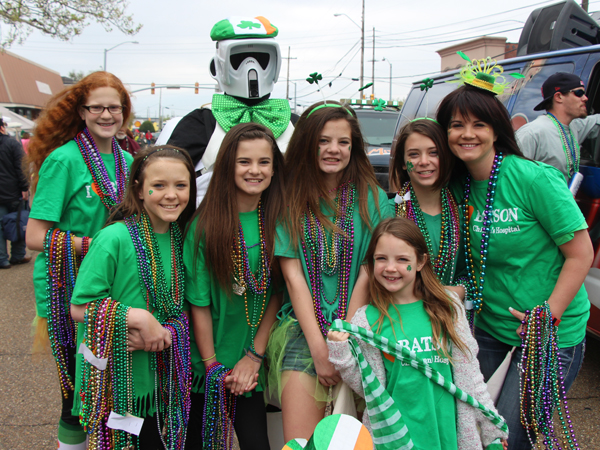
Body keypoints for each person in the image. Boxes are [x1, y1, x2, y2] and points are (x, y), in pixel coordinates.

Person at [437, 75, 593, 449]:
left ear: (496, 130)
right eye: (456, 125)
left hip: (549, 333)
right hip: (490, 328)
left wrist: (547, 315)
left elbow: (581, 253)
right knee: (470, 424)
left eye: (478, 124)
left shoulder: (533, 179)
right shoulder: (456, 185)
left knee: (509, 434)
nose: (467, 134)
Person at [267, 101, 394, 441]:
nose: (333, 150)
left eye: (343, 142)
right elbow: (294, 278)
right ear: (308, 142)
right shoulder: (288, 198)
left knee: (355, 443)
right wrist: (321, 351)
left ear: (354, 147)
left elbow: (370, 270)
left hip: (360, 333)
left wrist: (343, 340)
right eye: (323, 140)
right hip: (302, 331)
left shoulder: (373, 198)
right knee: (301, 444)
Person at [327, 217, 508, 450]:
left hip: (447, 437)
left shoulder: (448, 308)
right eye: (381, 258)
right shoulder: (367, 320)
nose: (390, 268)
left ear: (421, 261)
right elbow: (368, 387)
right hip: (394, 441)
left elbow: (470, 376)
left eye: (403, 259)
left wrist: (492, 430)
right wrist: (340, 353)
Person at [25, 71, 134, 450]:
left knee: (117, 389)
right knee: (77, 397)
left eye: (114, 107)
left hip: (115, 291)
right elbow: (35, 236)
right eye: (97, 107)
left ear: (124, 112)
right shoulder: (64, 160)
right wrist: (95, 246)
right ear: (82, 111)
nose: (107, 115)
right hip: (66, 292)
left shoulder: (129, 161)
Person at [70, 145, 197, 448]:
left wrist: (164, 333)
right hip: (120, 383)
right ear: (139, 191)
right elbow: (79, 307)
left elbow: (183, 306)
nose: (171, 195)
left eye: (181, 185)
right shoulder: (114, 238)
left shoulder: (182, 235)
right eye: (159, 186)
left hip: (162, 379)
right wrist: (138, 317)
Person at [183, 122, 286, 449]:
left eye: (264, 162)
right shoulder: (204, 225)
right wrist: (213, 365)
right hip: (207, 370)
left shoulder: (277, 221)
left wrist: (253, 356)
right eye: (244, 161)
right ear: (228, 164)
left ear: (274, 169)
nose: (254, 170)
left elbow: (276, 295)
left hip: (250, 369)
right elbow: (198, 305)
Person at [160, 16, 296, 206]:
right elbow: (161, 177)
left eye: (261, 58)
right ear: (217, 65)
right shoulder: (201, 123)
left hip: (282, 229)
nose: (251, 66)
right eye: (239, 58)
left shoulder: (295, 124)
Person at [390, 118, 464, 288]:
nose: (424, 161)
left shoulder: (461, 213)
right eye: (414, 154)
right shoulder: (388, 211)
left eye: (434, 153)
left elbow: (467, 274)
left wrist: (455, 292)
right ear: (403, 163)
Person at [516, 72, 600, 183]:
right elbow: (512, 180)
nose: (585, 98)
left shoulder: (574, 127)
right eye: (579, 93)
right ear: (559, 97)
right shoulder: (532, 133)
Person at [0, 118, 30, 268]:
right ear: (2, 127)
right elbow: (22, 167)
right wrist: (25, 187)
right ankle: (17, 255)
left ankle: (2, 258)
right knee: (18, 222)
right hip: (14, 191)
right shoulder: (12, 144)